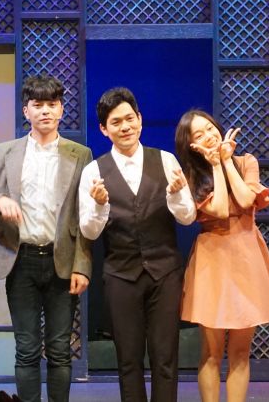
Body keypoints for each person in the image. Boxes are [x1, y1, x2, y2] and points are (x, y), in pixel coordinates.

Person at [0, 76, 93, 402]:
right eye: (38, 105)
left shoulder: (80, 154)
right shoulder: (4, 152)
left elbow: (85, 216)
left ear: (61, 110)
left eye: (52, 104)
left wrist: (82, 265)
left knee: (60, 349)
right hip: (20, 260)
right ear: (27, 111)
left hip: (61, 260)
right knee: (26, 349)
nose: (45, 111)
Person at [78, 87, 196, 402]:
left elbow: (188, 217)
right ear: (104, 129)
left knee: (165, 357)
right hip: (121, 275)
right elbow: (89, 231)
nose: (125, 127)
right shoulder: (93, 171)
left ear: (140, 119)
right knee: (128, 360)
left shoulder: (166, 160)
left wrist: (175, 194)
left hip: (165, 272)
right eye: (116, 122)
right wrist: (100, 205)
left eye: (130, 118)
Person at [174, 109, 269, 402]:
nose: (208, 136)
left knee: (241, 351)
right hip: (212, 259)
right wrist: (215, 165)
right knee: (211, 352)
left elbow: (245, 199)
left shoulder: (245, 162)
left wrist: (226, 160)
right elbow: (218, 210)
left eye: (210, 128)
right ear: (191, 145)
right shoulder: (191, 176)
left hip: (246, 256)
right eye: (199, 134)